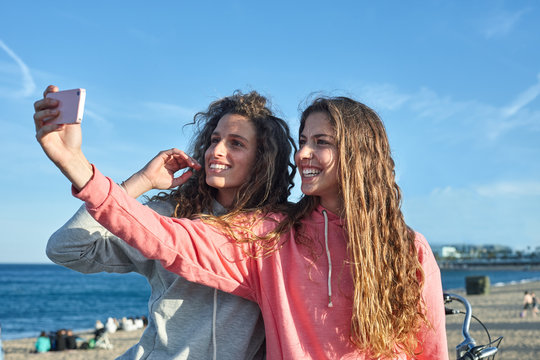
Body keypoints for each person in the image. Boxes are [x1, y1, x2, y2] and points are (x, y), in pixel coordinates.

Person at [35, 93, 448, 358]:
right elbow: (166, 238)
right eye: (304, 140)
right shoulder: (267, 234)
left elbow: (430, 350)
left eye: (320, 142)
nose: (304, 153)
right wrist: (82, 168)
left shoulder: (407, 247)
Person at [34, 84, 296, 359]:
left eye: (236, 143)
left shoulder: (280, 231)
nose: (216, 151)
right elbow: (66, 249)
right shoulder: (170, 215)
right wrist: (139, 182)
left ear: (262, 161)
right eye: (214, 140)